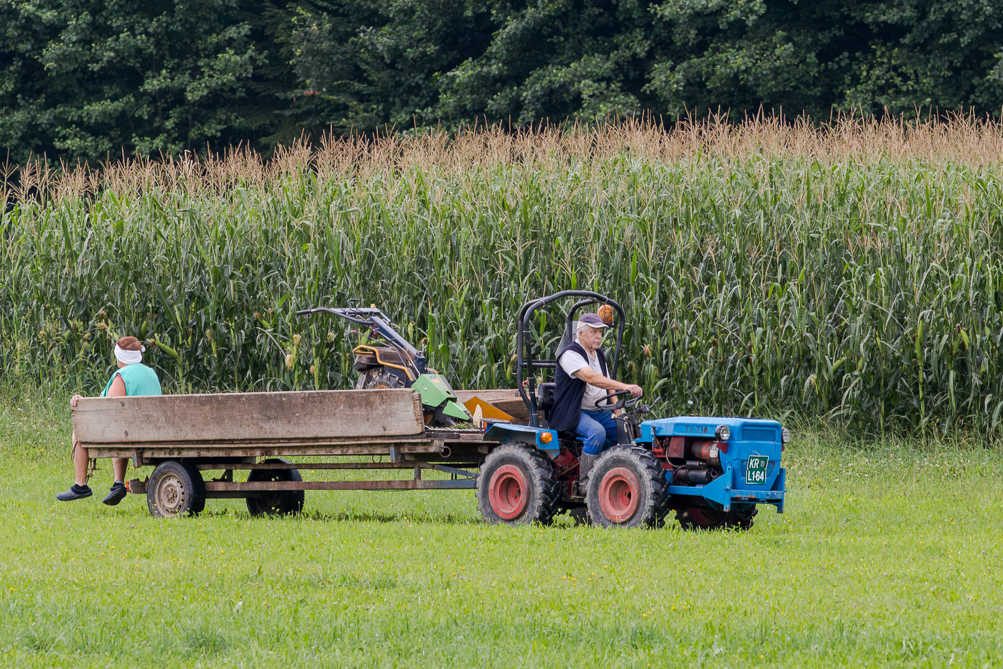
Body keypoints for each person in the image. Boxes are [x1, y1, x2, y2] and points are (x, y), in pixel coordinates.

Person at [57, 336, 162, 504]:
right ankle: (117, 483)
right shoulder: (151, 373)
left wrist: (81, 402)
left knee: (79, 433)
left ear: (120, 356)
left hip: (131, 433)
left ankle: (80, 485)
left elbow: (107, 408)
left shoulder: (122, 375)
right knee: (123, 426)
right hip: (154, 431)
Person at [549, 312, 643, 484]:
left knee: (626, 430)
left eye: (600, 332)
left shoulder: (598, 354)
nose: (599, 336)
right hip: (574, 412)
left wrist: (618, 414)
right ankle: (586, 482)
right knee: (596, 432)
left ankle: (619, 477)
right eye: (594, 332)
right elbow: (591, 377)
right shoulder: (570, 354)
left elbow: (608, 387)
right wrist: (626, 386)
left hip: (598, 411)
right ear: (581, 334)